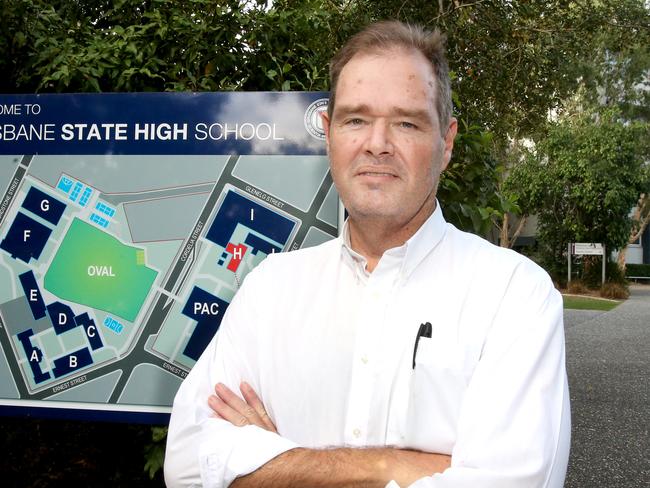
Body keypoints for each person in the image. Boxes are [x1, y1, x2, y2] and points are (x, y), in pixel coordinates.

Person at [164, 20, 571, 488]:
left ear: (447, 142)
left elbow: (513, 482)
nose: (377, 144)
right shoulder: (270, 288)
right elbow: (189, 464)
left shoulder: (514, 295)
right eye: (355, 119)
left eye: (406, 123)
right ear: (329, 133)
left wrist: (270, 463)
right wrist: (392, 465)